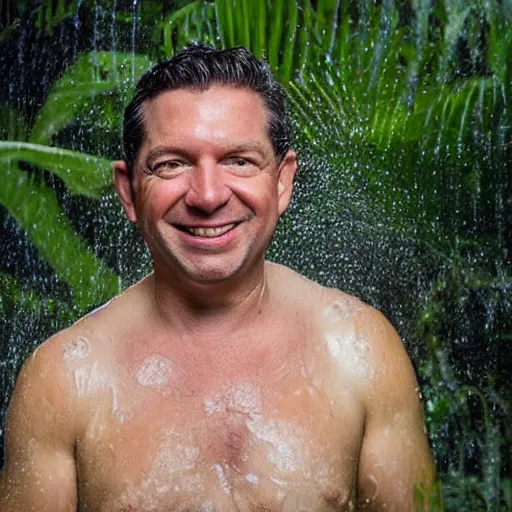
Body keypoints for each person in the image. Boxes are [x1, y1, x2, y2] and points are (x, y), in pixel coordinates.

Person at [0, 44, 433, 511]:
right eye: (172, 164)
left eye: (239, 161)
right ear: (128, 191)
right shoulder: (65, 380)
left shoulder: (360, 350)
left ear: (283, 181)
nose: (207, 196)